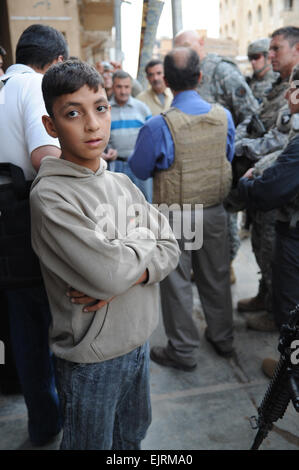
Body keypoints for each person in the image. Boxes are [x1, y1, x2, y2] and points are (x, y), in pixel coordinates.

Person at [30, 59, 180, 450]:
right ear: (51, 125)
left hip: (138, 342)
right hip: (92, 360)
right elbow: (111, 274)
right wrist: (137, 248)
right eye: (73, 113)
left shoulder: (121, 182)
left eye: (100, 108)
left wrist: (124, 272)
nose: (93, 125)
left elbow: (171, 249)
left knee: (130, 439)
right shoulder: (51, 197)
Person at [129, 47, 235, 370]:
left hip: (177, 216)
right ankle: (223, 338)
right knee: (216, 277)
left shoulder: (158, 126)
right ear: (200, 78)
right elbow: (227, 157)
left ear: (168, 83)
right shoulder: (223, 116)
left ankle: (184, 350)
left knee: (176, 284)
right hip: (215, 210)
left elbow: (140, 169)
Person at [0, 24, 68, 446]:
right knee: (59, 328)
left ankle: (41, 425)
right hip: (30, 228)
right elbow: (46, 158)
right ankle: (60, 422)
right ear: (57, 62)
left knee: (21, 330)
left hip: (6, 231)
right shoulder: (36, 86)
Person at [174, 30, 259, 283]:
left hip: (221, 163)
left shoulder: (222, 71)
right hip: (194, 167)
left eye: (188, 46)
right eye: (179, 49)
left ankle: (225, 268)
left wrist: (229, 143)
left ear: (201, 44)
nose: (184, 54)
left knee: (224, 220)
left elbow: (251, 114)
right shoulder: (185, 75)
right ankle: (210, 268)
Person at [235, 27, 299, 332]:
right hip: (273, 185)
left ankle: (280, 320)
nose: (270, 56)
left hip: (283, 194)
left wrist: (256, 171)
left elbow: (285, 146)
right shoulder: (277, 87)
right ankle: (269, 299)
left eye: (275, 49)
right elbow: (257, 122)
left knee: (281, 265)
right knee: (266, 251)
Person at [108, 69, 153, 202]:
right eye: (119, 87)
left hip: (140, 165)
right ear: (113, 86)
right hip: (116, 166)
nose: (123, 91)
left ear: (131, 87)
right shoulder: (105, 109)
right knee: (119, 207)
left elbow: (151, 138)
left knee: (145, 205)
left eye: (126, 87)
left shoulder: (142, 108)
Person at [246, 38, 279, 104]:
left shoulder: (278, 82)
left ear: (268, 57)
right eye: (250, 58)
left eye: (256, 57)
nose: (253, 62)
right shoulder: (247, 82)